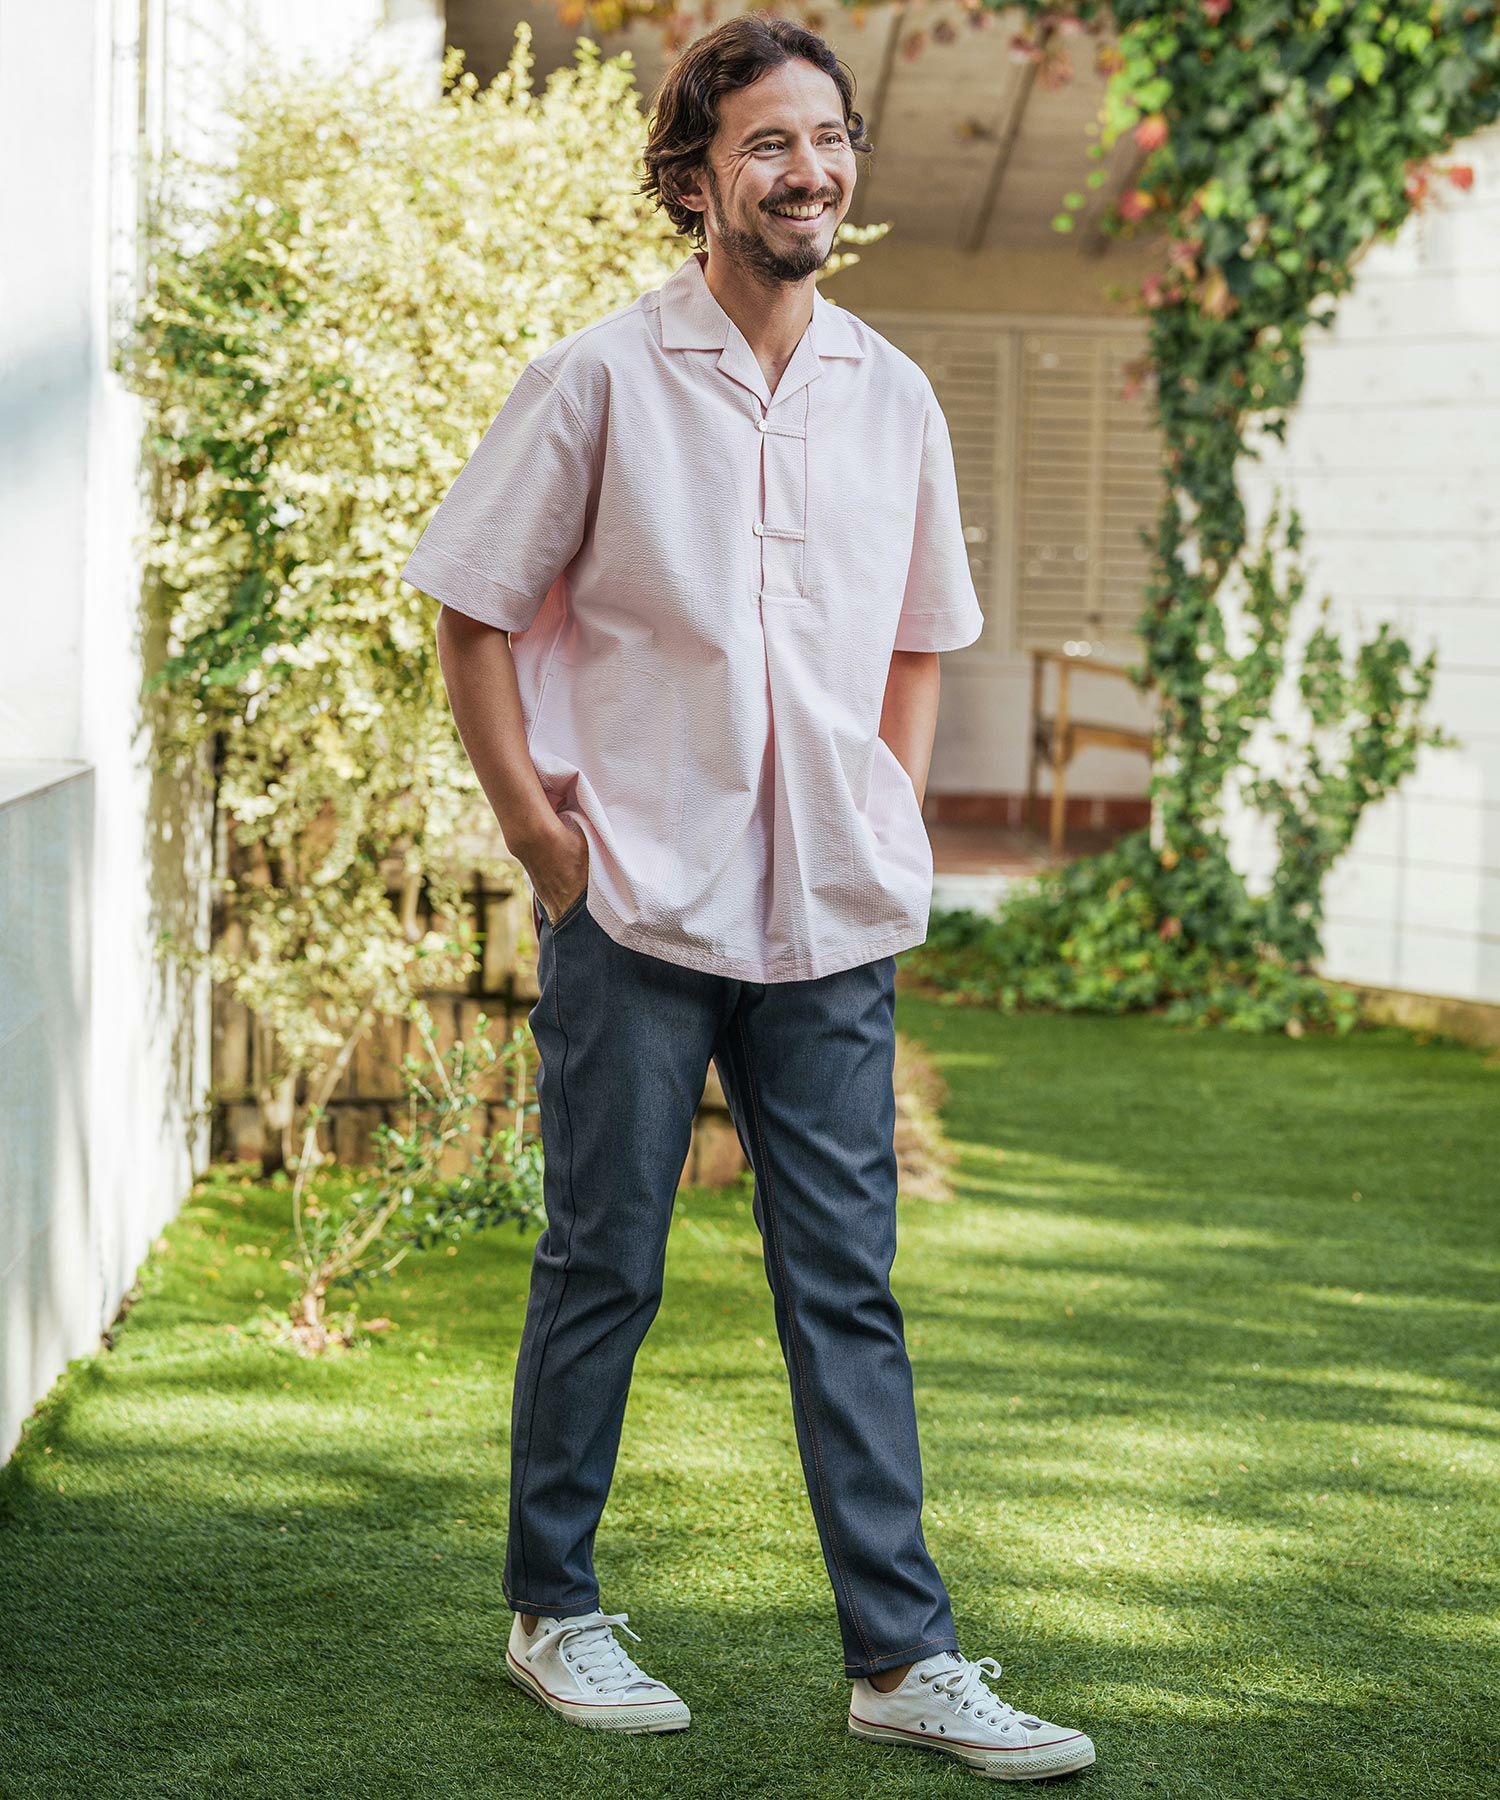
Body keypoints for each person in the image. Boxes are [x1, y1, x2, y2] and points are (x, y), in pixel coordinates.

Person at [400, 12, 1095, 1783]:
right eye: (768, 143)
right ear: (696, 179)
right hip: (638, 905)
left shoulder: (894, 393)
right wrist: (543, 840)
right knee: (604, 1262)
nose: (810, 170)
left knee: (846, 1287)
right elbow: (470, 610)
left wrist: (883, 815)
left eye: (829, 138)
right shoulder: (599, 381)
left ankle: (903, 1660)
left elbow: (921, 638)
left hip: (830, 918)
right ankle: (553, 1610)